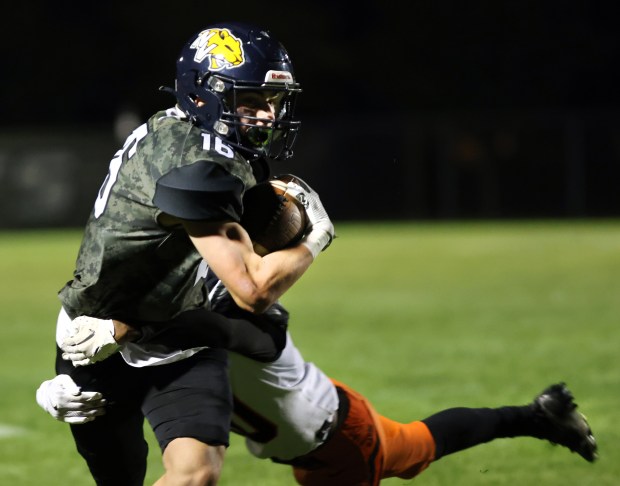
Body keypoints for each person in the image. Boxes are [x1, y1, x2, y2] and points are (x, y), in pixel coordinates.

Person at [39, 21, 335, 486]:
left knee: (195, 474)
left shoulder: (195, 133)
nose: (266, 117)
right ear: (204, 94)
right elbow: (253, 290)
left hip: (178, 339)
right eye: (251, 101)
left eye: (273, 102)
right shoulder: (194, 162)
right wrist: (315, 237)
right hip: (96, 337)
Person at [39, 271, 598, 485]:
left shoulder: (251, 328)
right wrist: (60, 385)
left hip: (338, 442)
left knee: (417, 447)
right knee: (416, 444)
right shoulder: (192, 330)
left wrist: (126, 324)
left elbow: (212, 328)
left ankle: (534, 417)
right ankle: (537, 415)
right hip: (312, 432)